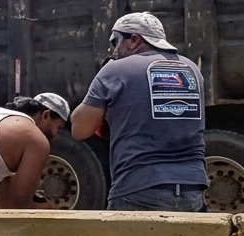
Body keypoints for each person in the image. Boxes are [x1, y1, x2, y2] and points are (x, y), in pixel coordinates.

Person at [70, 12, 207, 211]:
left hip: (138, 187)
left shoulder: (115, 70)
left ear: (134, 39)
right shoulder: (192, 69)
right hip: (192, 188)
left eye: (115, 41)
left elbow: (79, 129)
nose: (114, 50)